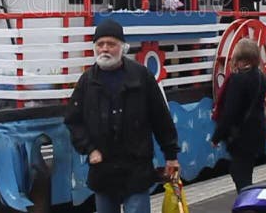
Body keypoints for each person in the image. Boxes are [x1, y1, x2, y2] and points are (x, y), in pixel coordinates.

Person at [65, 20, 180, 213]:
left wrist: (171, 156)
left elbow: (160, 117)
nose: (105, 49)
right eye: (100, 44)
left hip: (136, 166)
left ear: (123, 47)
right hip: (103, 168)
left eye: (111, 44)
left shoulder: (141, 76)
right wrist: (89, 149)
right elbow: (73, 120)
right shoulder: (87, 81)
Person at [211, 38, 266, 191]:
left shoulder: (238, 80)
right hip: (256, 133)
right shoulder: (261, 77)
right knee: (245, 172)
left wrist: (217, 136)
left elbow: (230, 112)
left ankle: (248, 206)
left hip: (241, 136)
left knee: (239, 175)